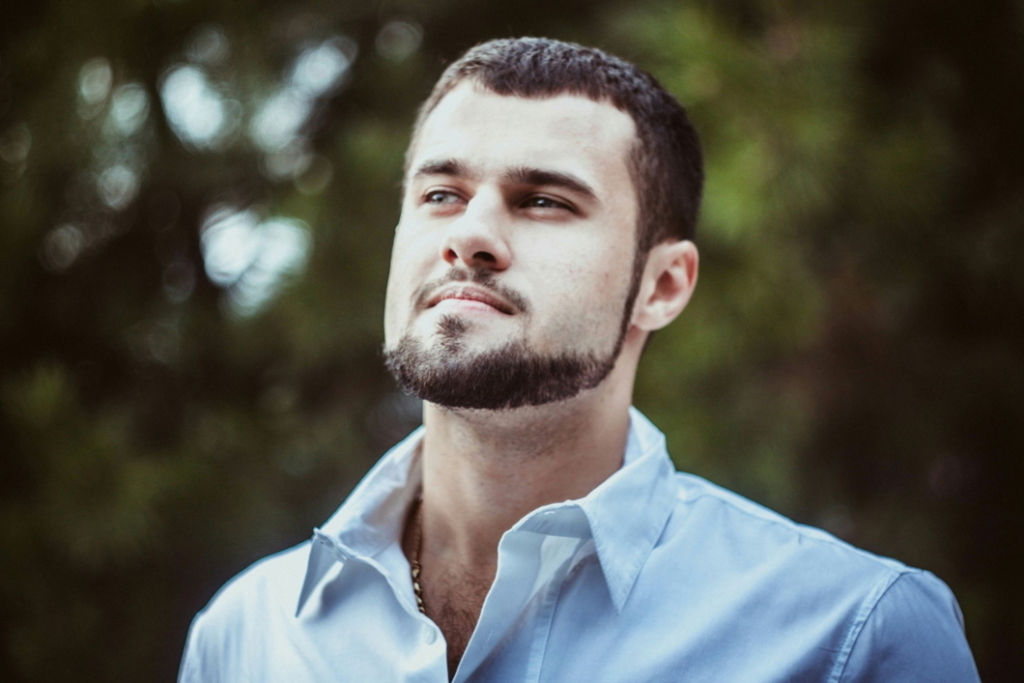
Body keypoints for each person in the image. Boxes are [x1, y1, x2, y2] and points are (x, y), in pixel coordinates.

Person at [178, 37, 980, 682]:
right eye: (441, 194)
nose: (470, 234)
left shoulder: (854, 635)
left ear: (662, 286)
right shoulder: (247, 634)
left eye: (543, 201)